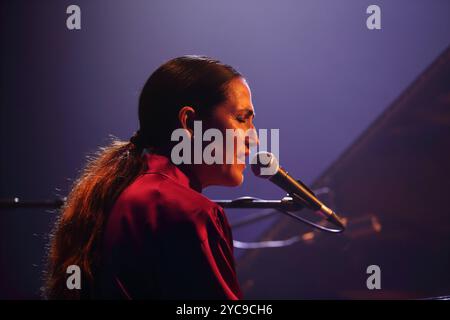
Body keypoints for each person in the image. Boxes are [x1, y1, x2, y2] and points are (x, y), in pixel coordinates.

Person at [45, 55, 258, 299]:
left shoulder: (122, 189)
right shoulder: (188, 211)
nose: (254, 138)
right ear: (189, 123)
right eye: (242, 119)